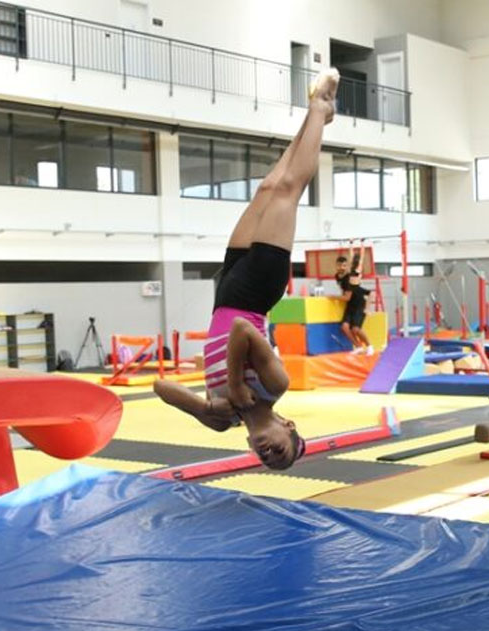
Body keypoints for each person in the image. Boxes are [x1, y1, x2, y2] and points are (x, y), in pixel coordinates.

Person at [153, 68, 340, 470]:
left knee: (269, 188)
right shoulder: (275, 386)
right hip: (257, 290)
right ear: (287, 426)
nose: (268, 453)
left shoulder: (223, 417)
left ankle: (317, 119)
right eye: (280, 451)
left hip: (226, 291)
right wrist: (237, 383)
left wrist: (200, 410)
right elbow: (241, 330)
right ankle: (319, 106)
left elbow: (160, 385)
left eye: (264, 457)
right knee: (290, 190)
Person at [334, 241, 373, 355]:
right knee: (345, 327)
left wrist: (362, 245)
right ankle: (358, 347)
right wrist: (350, 245)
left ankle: (369, 346)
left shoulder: (357, 271)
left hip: (358, 299)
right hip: (351, 302)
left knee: (355, 329)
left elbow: (360, 259)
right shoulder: (350, 271)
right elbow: (351, 257)